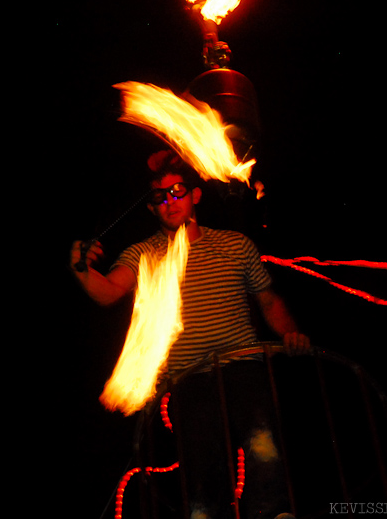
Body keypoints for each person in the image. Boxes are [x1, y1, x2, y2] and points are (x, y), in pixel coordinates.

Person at [70, 149, 310, 519]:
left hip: (243, 365)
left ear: (195, 195)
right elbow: (108, 291)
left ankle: (273, 514)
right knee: (200, 462)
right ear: (151, 208)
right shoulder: (143, 253)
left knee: (263, 445)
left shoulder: (235, 244)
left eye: (178, 191)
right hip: (188, 378)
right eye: (159, 198)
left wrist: (292, 334)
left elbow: (269, 301)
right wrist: (82, 270)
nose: (170, 202)